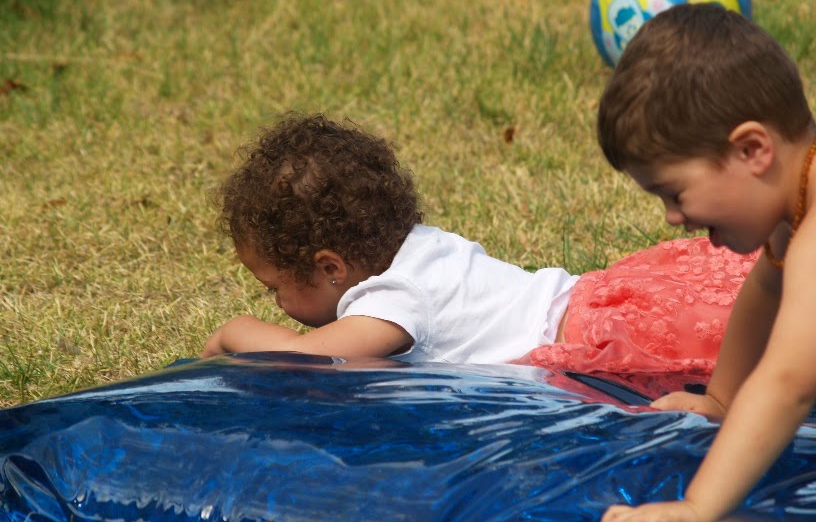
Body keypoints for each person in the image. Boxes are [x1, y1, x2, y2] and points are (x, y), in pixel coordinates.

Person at [203, 112, 755, 373]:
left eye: (273, 289)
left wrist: (232, 334)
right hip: (607, 294)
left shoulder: (394, 299)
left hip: (599, 334)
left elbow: (303, 358)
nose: (274, 305)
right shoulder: (419, 247)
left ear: (330, 267)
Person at [591, 3, 816, 522]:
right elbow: (767, 286)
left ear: (752, 149)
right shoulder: (796, 204)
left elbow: (789, 381)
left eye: (675, 193)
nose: (674, 218)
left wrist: (697, 506)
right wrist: (721, 399)